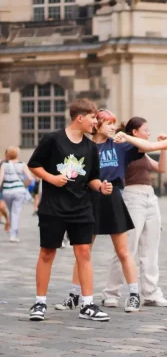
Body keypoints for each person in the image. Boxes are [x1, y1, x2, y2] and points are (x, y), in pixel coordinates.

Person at [27, 98, 112, 322]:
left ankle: (87, 305)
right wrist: (52, 179)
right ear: (80, 118)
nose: (96, 122)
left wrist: (101, 186)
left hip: (81, 206)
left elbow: (92, 178)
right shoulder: (53, 140)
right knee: (47, 253)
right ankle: (39, 303)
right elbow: (33, 165)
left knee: (84, 253)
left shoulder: (91, 147)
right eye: (94, 117)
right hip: (53, 207)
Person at [102, 117, 167, 307]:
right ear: (135, 132)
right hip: (132, 197)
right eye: (145, 130)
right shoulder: (125, 149)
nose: (149, 133)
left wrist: (163, 146)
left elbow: (161, 168)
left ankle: (150, 292)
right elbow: (145, 146)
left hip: (149, 197)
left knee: (150, 248)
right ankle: (111, 292)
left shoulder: (142, 151)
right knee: (126, 249)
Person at [55, 109, 144, 313]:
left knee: (123, 251)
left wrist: (127, 136)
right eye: (109, 123)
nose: (114, 127)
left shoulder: (119, 146)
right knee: (83, 251)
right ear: (97, 125)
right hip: (88, 199)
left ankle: (133, 295)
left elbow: (147, 146)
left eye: (114, 123)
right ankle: (74, 296)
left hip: (112, 198)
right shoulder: (84, 147)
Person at [0, 147, 33, 242]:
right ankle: (13, 234)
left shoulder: (4, 165)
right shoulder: (22, 164)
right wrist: (24, 185)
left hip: (7, 191)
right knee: (16, 212)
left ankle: (11, 231)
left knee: (11, 211)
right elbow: (30, 178)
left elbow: (1, 178)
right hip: (19, 190)